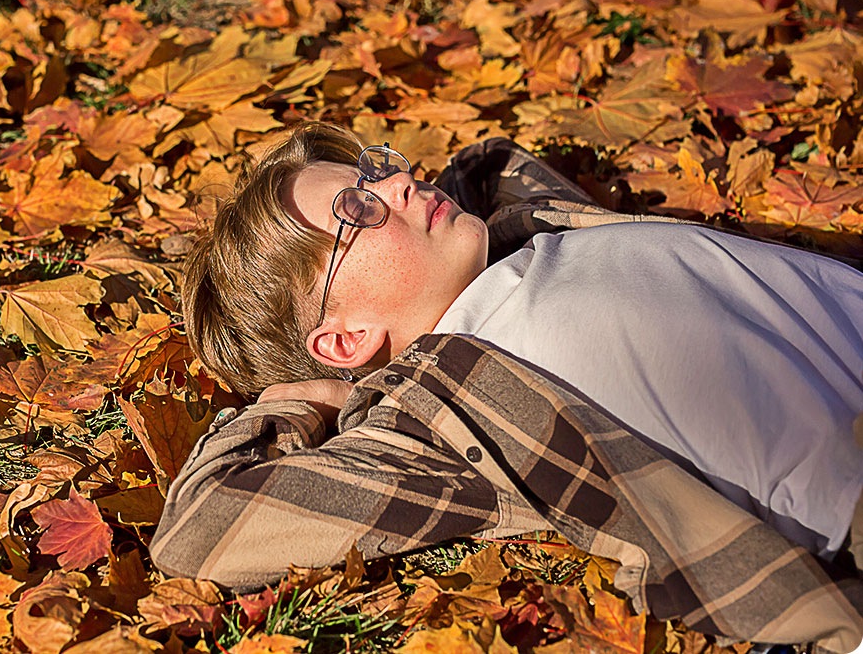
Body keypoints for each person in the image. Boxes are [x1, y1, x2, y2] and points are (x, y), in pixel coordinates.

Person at [151, 123, 863, 651]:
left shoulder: (521, 239)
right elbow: (198, 532)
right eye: (357, 212)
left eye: (373, 174)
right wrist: (297, 402)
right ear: (344, 341)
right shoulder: (445, 413)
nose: (400, 184)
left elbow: (488, 165)